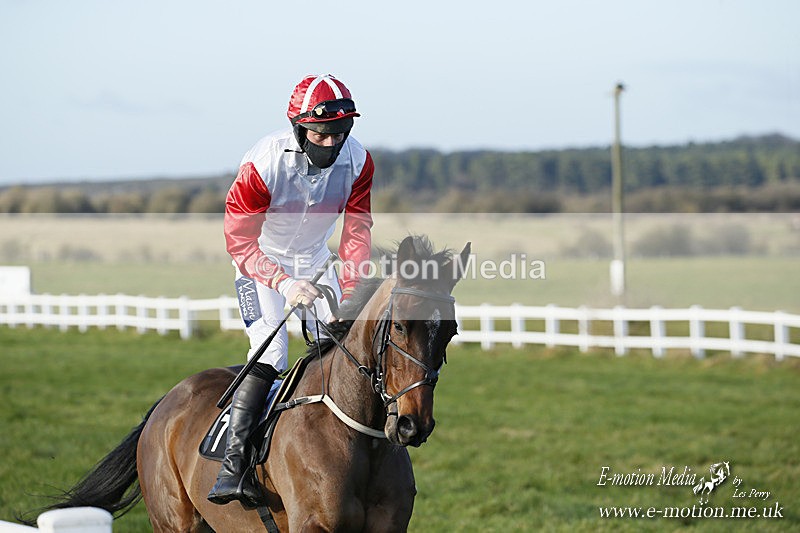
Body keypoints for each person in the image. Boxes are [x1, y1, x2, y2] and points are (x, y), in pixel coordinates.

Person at [208, 74, 374, 506]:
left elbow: (357, 231)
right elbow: (239, 240)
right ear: (299, 128)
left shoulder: (359, 161)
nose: (331, 144)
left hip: (316, 260)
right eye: (320, 134)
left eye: (340, 132)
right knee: (273, 352)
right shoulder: (263, 163)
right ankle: (233, 467)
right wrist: (283, 282)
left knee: (342, 341)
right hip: (260, 262)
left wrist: (351, 292)